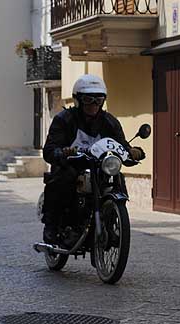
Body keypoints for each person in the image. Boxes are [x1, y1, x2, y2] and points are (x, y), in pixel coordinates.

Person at [41, 74, 144, 245]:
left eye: (98, 99)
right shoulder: (64, 119)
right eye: (88, 99)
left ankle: (112, 221)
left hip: (99, 166)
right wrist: (63, 153)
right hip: (72, 164)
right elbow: (50, 150)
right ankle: (51, 225)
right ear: (78, 100)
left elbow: (121, 144)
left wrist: (134, 152)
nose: (93, 105)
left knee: (117, 176)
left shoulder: (109, 121)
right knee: (63, 179)